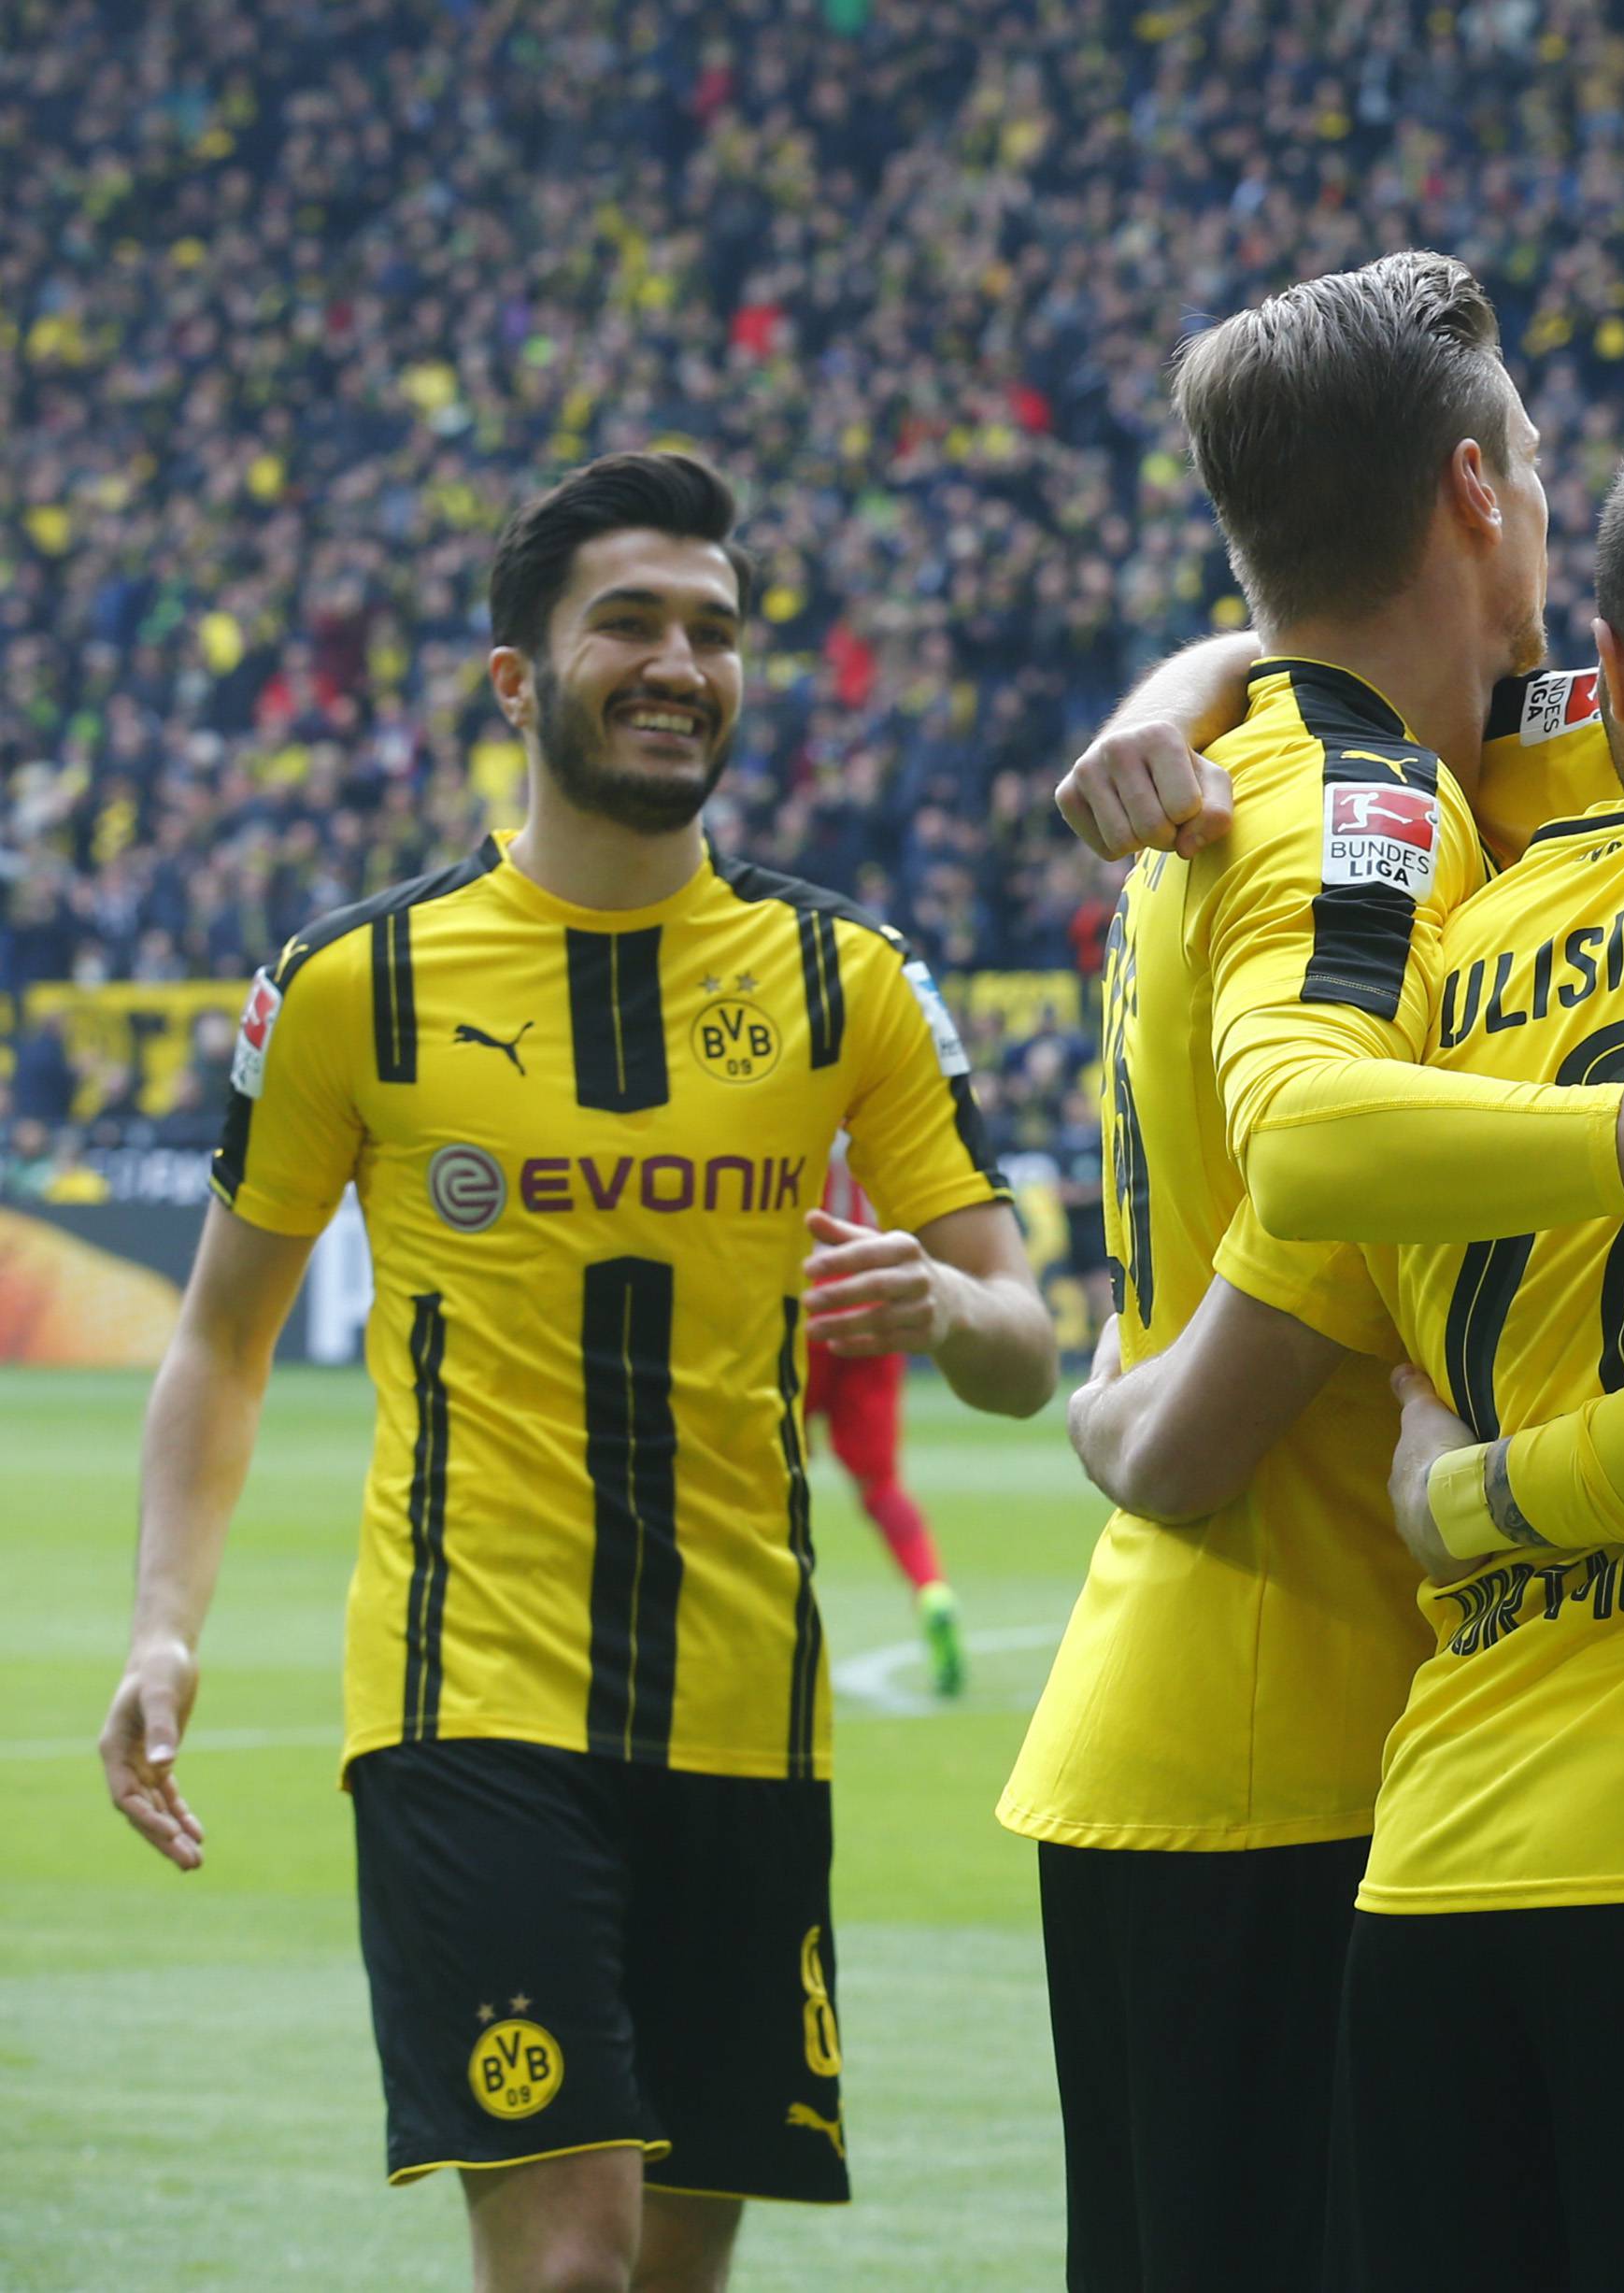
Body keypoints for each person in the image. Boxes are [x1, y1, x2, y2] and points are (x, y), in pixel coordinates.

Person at [97, 452, 1057, 2293]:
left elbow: (1026, 1352)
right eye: (628, 619)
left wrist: (941, 1310)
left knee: (675, 2278)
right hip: (470, 1697)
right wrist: (162, 1625)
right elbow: (220, 1339)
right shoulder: (350, 984)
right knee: (567, 2270)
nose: (678, 659)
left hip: (748, 1714)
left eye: (713, 627)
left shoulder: (849, 979)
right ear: (518, 679)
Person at [996, 255, 1624, 2291]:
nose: (1549, 504)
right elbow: (1321, 1154)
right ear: (1474, 491)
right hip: (1293, 1719)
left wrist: (1176, 674)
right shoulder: (1354, 806)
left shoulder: (1342, 752)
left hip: (1278, 1727)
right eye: (1531, 460)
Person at [805, 1137, 964, 1695]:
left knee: (771, 1477)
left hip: (804, 1308)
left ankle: (785, 1630)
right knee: (881, 1486)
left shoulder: (798, 1095)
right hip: (876, 1305)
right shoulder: (883, 1110)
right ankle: (932, 1590)